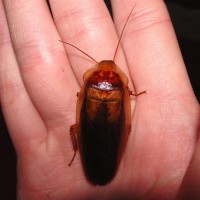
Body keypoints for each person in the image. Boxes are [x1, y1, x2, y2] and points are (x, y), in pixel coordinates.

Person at [0, 0, 199, 199]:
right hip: (115, 128)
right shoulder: (122, 88)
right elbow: (124, 106)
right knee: (124, 128)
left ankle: (77, 153)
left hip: (93, 125)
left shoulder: (87, 89)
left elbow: (80, 100)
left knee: (74, 127)